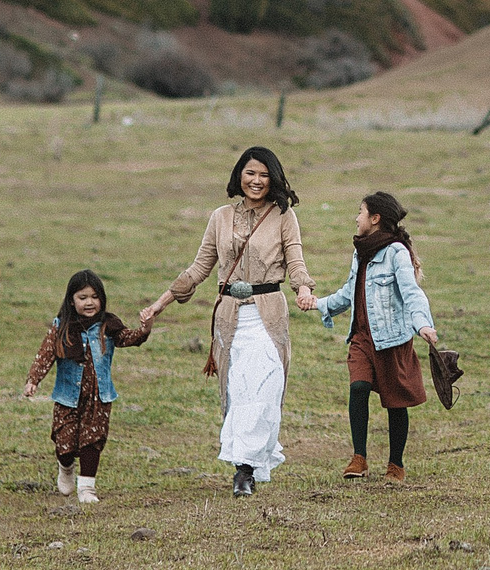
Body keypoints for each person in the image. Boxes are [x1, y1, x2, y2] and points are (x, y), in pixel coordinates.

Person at [142, 146, 313, 497]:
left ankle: (247, 467)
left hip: (268, 314)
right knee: (238, 391)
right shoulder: (220, 217)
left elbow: (295, 259)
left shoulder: (284, 216)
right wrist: (159, 305)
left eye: (264, 175)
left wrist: (304, 289)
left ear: (273, 179)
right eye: (251, 173)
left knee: (264, 389)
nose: (257, 181)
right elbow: (198, 268)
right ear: (239, 175)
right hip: (230, 317)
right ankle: (243, 470)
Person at [305, 189, 437, 482]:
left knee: (396, 401)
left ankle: (396, 464)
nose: (356, 218)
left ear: (375, 219)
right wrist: (319, 303)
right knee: (358, 388)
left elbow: (412, 293)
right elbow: (350, 291)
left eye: (361, 213)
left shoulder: (396, 253)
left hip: (392, 339)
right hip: (362, 337)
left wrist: (423, 325)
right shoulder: (360, 252)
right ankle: (359, 458)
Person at [22, 269, 151, 503]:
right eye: (82, 298)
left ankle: (87, 489)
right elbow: (45, 354)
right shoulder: (62, 327)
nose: (89, 302)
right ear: (72, 300)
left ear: (101, 299)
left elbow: (128, 338)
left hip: (99, 397)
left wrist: (144, 328)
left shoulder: (108, 326)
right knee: (65, 442)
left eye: (94, 297)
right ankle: (66, 468)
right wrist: (33, 380)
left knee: (93, 441)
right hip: (67, 397)